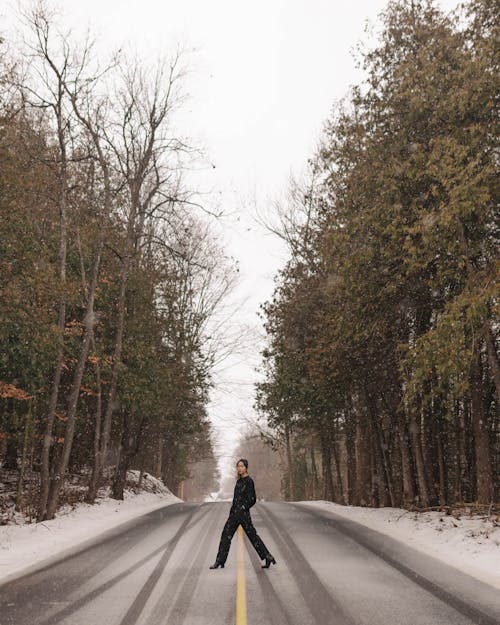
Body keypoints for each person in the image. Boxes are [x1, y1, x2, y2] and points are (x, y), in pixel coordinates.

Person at [209, 458, 277, 569]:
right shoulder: (239, 481)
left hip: (244, 515)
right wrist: (233, 511)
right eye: (238, 466)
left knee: (253, 537)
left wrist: (243, 507)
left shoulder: (249, 481)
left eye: (242, 466)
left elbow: (253, 498)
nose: (240, 468)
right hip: (234, 514)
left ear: (246, 468)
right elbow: (236, 499)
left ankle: (267, 556)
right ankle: (220, 561)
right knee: (226, 535)